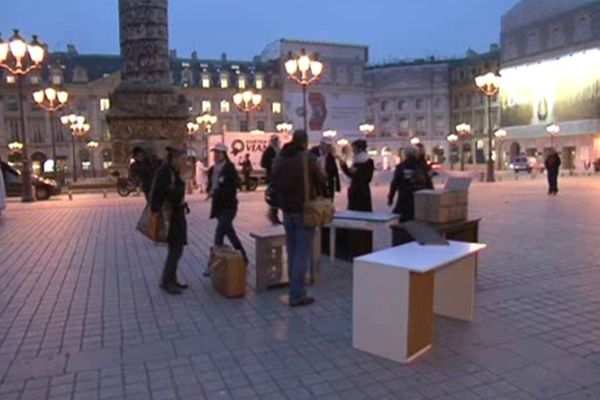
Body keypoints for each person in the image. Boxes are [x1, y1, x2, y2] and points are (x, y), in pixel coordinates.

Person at [273, 130, 326, 307]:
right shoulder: (306, 158)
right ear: (304, 142)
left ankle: (294, 290)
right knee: (302, 254)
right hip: (304, 210)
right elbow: (321, 179)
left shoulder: (279, 159)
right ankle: (297, 295)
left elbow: (273, 183)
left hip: (286, 211)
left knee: (292, 251)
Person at [150, 146, 189, 295]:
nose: (184, 162)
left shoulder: (173, 171)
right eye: (182, 159)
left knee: (176, 249)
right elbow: (158, 195)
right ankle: (167, 281)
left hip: (177, 213)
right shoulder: (165, 172)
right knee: (175, 249)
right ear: (173, 159)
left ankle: (171, 279)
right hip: (170, 215)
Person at [207, 143, 248, 264]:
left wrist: (216, 191)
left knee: (219, 232)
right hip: (218, 206)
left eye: (218, 153)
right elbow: (211, 184)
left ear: (224, 154)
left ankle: (214, 262)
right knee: (230, 233)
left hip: (229, 206)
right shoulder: (212, 169)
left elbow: (231, 187)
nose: (215, 155)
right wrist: (210, 190)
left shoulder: (229, 169)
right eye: (215, 153)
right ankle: (243, 257)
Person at [388, 146, 429, 222]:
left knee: (404, 220)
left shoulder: (401, 167)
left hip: (405, 197)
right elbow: (428, 182)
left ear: (406, 154)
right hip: (420, 197)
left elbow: (395, 183)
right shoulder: (422, 166)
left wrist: (390, 197)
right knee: (418, 220)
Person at [338, 139, 375, 211]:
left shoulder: (362, 161)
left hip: (359, 190)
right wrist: (344, 166)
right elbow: (351, 173)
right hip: (361, 190)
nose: (352, 151)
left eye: (354, 148)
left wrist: (344, 167)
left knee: (358, 211)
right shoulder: (360, 160)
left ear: (359, 149)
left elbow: (354, 175)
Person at [261, 134, 281, 224]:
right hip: (272, 176)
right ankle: (273, 215)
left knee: (277, 196)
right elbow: (263, 163)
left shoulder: (279, 150)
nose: (276, 142)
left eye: (277, 140)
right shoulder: (268, 151)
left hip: (279, 176)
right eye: (275, 140)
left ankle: (273, 215)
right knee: (274, 196)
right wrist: (271, 163)